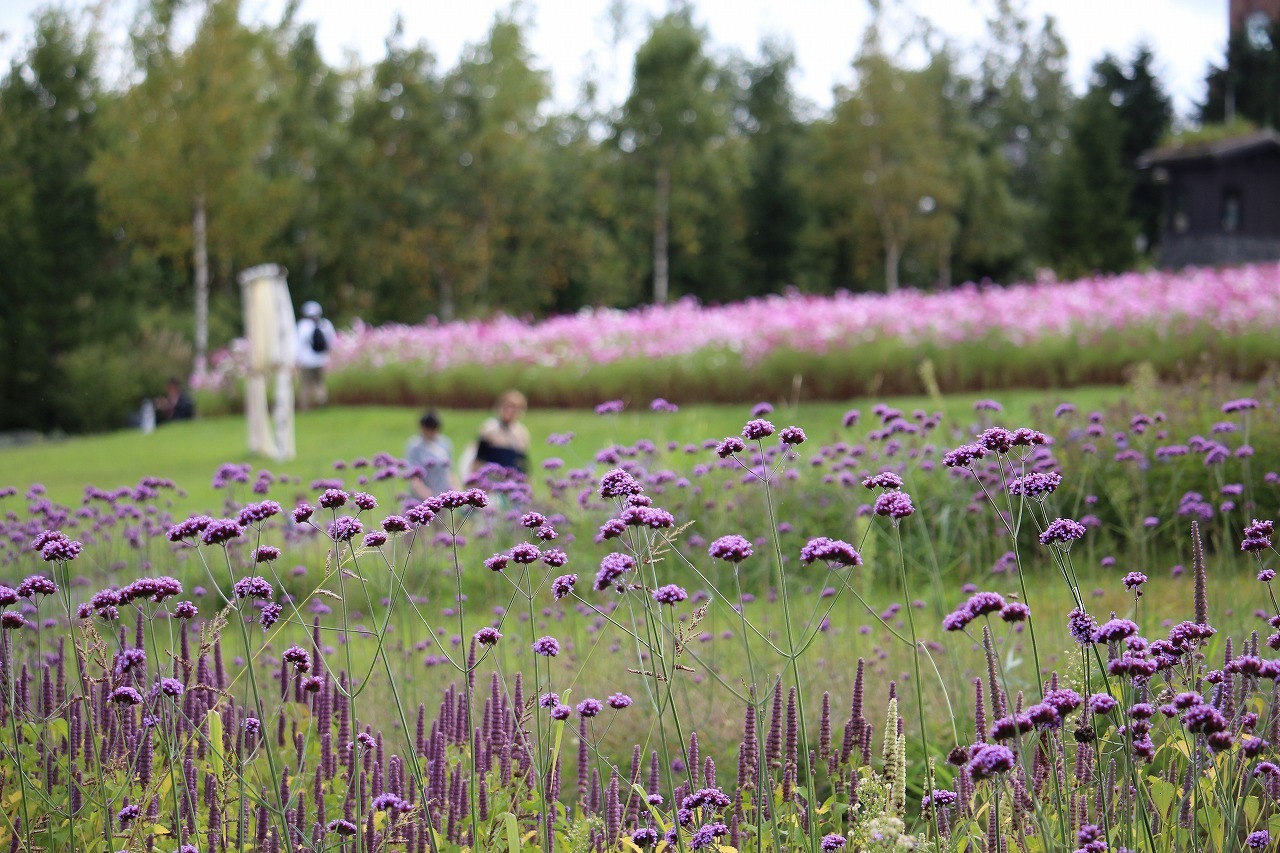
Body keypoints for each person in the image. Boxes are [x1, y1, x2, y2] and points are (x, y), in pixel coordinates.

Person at [472, 390, 530, 474]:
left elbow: (523, 463)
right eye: (507, 406)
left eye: (515, 407)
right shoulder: (490, 428)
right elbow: (479, 458)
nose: (510, 410)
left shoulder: (522, 432)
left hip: (513, 478)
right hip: (492, 476)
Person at [406, 410, 457, 500]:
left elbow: (449, 471)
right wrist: (429, 498)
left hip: (442, 492)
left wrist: (456, 491)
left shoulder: (445, 443)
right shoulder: (415, 446)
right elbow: (414, 475)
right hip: (422, 498)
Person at [295, 300, 335, 409]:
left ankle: (305, 407)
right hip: (321, 360)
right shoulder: (326, 324)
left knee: (305, 385)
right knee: (320, 384)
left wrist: (296, 360)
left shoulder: (303, 326)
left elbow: (298, 344)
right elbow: (331, 342)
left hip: (306, 361)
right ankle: (321, 404)